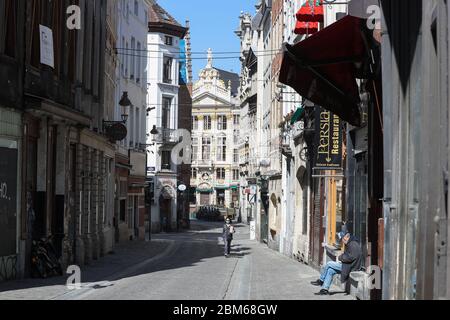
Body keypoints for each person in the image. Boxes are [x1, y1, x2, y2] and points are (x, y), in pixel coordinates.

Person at [311, 231, 363, 295]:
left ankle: (321, 280)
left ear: (347, 237)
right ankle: (325, 289)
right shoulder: (350, 243)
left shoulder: (353, 244)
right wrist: (343, 258)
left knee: (329, 263)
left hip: (351, 267)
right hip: (347, 265)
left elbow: (351, 257)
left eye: (342, 239)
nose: (342, 241)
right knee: (330, 270)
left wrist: (340, 257)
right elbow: (349, 256)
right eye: (341, 240)